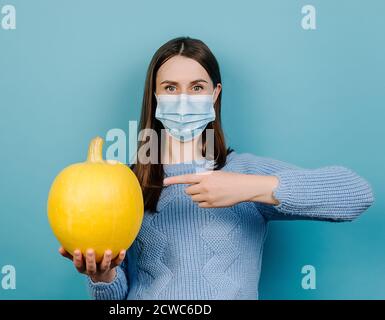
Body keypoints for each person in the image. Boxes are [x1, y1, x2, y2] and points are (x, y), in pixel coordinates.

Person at [59, 36, 374, 299]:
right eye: (170, 88)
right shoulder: (126, 182)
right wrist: (103, 276)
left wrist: (248, 187)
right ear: (154, 98)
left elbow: (357, 194)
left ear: (215, 94)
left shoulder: (246, 170)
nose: (184, 98)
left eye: (197, 87)